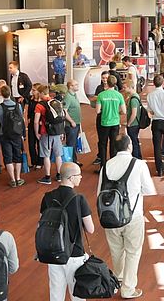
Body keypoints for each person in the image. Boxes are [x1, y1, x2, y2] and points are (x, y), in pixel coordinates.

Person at [97, 134, 155, 299]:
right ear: (130, 146)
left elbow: (99, 193)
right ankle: (128, 289)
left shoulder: (106, 166)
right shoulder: (138, 165)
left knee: (116, 251)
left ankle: (118, 279)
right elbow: (149, 190)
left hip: (110, 217)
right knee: (133, 251)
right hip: (133, 216)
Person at [40, 162, 94, 301]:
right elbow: (91, 229)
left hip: (54, 253)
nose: (81, 177)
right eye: (78, 175)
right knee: (77, 295)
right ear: (70, 177)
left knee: (56, 294)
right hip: (75, 253)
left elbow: (40, 224)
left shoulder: (47, 197)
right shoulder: (79, 199)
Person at [0, 85, 25, 188]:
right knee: (17, 156)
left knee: (8, 157)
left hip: (5, 134)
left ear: (1, 94)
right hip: (16, 134)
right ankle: (18, 178)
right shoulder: (18, 106)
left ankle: (12, 180)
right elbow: (21, 119)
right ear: (10, 93)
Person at [34, 85, 63, 184]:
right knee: (58, 154)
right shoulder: (55, 102)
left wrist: (36, 132)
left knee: (46, 155)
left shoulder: (40, 105)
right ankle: (59, 175)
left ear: (42, 93)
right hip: (57, 131)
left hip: (46, 132)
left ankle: (47, 177)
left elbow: (36, 121)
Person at [96, 75, 126, 169]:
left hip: (104, 122)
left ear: (107, 83)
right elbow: (124, 111)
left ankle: (103, 167)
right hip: (115, 123)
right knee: (113, 144)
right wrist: (117, 112)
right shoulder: (119, 95)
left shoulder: (101, 95)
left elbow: (97, 111)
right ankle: (113, 166)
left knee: (103, 144)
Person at [91, 71, 111, 166]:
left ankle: (112, 159)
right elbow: (94, 99)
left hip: (110, 116)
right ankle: (101, 157)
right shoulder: (99, 88)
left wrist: (100, 98)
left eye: (106, 78)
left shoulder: (114, 88)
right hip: (101, 116)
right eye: (103, 78)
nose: (104, 80)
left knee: (112, 139)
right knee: (101, 139)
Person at [63, 79, 83, 166]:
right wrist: (71, 121)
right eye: (76, 85)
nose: (77, 86)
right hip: (71, 125)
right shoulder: (68, 97)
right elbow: (64, 111)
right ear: (70, 86)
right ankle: (69, 163)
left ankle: (74, 161)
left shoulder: (74, 95)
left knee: (74, 143)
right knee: (71, 144)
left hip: (76, 123)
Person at [124, 79, 142, 159]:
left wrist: (129, 123)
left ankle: (136, 157)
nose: (124, 89)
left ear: (129, 87)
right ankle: (138, 156)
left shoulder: (133, 99)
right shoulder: (134, 97)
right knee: (135, 141)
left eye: (125, 87)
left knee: (134, 142)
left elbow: (134, 113)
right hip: (135, 123)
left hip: (133, 124)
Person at [28, 83, 43, 170]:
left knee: (39, 144)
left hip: (40, 124)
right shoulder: (31, 100)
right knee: (31, 144)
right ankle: (34, 161)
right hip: (31, 124)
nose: (32, 92)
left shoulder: (41, 102)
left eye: (34, 90)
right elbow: (29, 111)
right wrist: (29, 118)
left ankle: (40, 162)